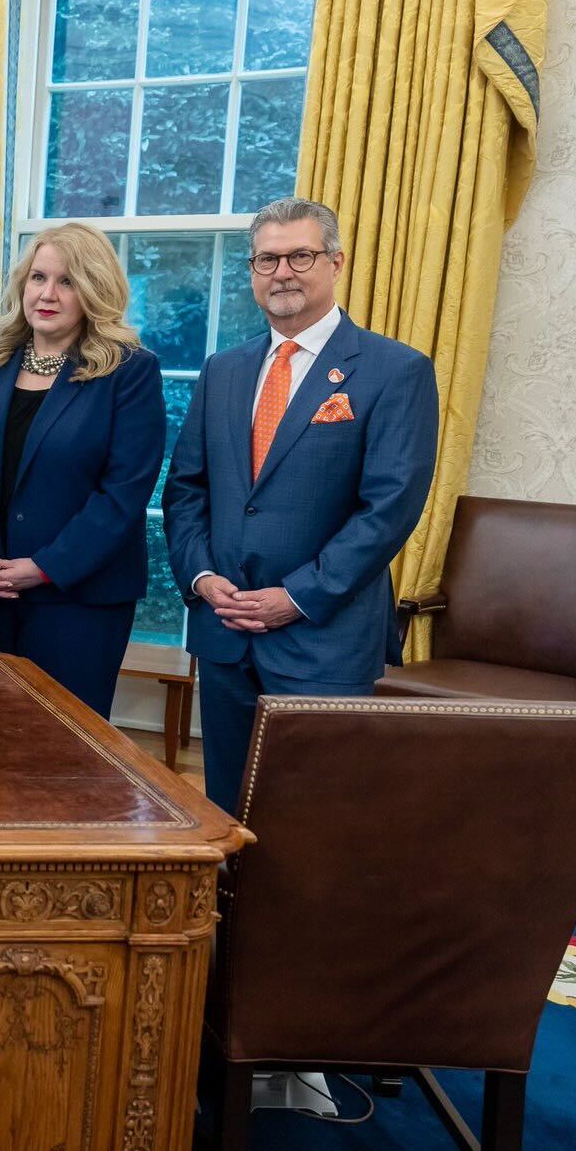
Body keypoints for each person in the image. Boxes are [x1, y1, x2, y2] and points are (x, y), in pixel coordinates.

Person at [163, 197, 437, 811]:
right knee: (227, 808)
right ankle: (229, 910)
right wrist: (203, 578)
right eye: (266, 259)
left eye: (300, 256)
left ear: (335, 262)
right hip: (225, 630)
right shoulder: (223, 370)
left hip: (324, 638)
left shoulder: (395, 370)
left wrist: (298, 597)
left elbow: (389, 508)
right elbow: (186, 488)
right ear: (253, 271)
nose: (282, 272)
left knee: (320, 816)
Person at [0, 223, 165, 717]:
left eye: (67, 282)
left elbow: (123, 495)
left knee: (65, 752)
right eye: (37, 278)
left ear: (94, 290)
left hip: (79, 601)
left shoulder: (129, 371)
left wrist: (42, 568)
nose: (47, 294)